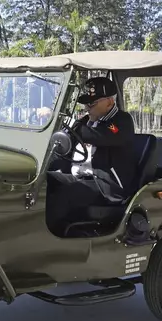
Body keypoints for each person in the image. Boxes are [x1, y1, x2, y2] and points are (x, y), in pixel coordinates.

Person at [47, 76, 139, 231]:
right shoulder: (87, 121)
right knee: (45, 180)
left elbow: (101, 136)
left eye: (92, 103)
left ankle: (52, 235)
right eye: (86, 103)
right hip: (81, 178)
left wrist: (69, 124)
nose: (87, 107)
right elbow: (66, 141)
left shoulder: (121, 121)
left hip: (106, 186)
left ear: (109, 102)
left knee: (64, 192)